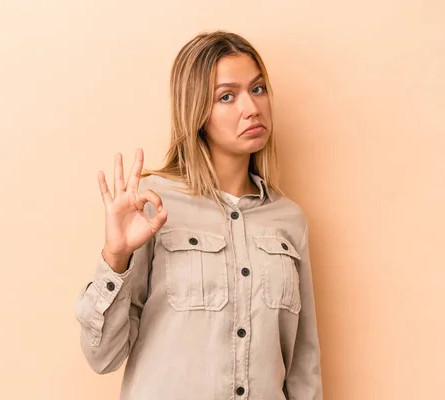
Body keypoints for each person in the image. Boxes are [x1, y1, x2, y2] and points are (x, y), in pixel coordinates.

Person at [75, 30, 323, 399]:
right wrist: (116, 256)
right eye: (227, 96)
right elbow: (102, 357)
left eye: (258, 89)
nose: (252, 108)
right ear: (197, 112)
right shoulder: (152, 205)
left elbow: (303, 366)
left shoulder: (288, 219)